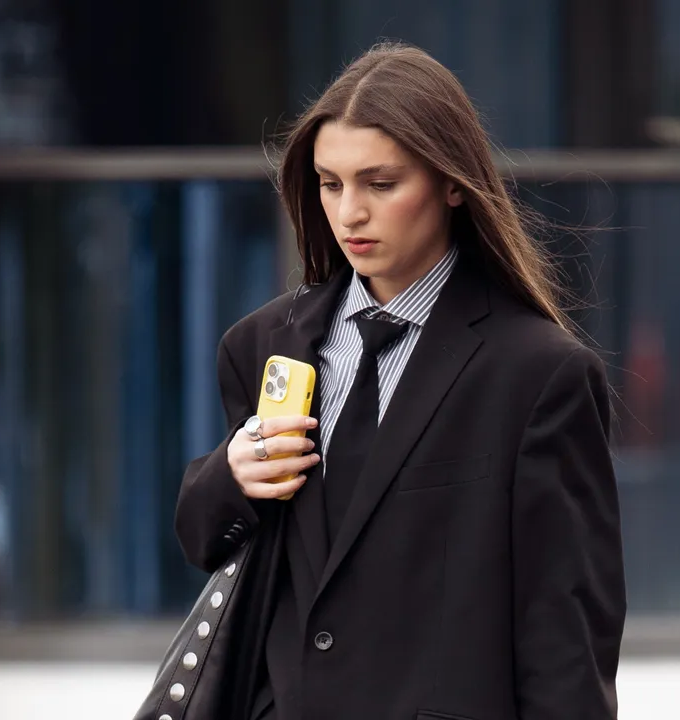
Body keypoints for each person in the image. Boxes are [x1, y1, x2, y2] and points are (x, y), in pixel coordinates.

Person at [174, 41, 626, 719]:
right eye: (331, 184)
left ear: (451, 183)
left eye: (380, 184)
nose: (351, 212)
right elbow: (204, 541)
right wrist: (231, 475)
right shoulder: (263, 346)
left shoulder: (539, 376)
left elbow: (564, 639)